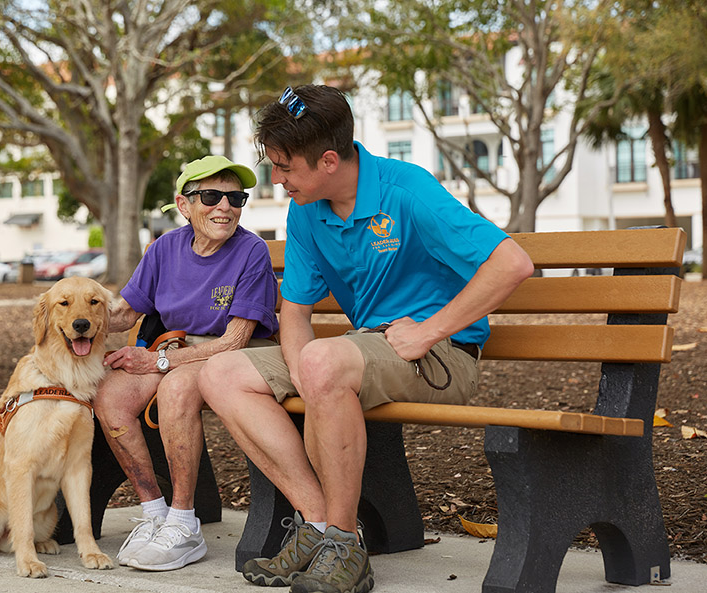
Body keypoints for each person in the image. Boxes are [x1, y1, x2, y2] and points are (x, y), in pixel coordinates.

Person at [198, 85, 534, 593]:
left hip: (441, 356)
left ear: (328, 160)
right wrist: (304, 369)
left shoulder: (407, 190)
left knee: (321, 362)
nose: (278, 179)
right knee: (218, 373)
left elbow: (513, 263)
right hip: (359, 352)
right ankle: (318, 528)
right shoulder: (307, 209)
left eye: (285, 167)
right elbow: (295, 313)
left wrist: (429, 330)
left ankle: (343, 546)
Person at [94, 155, 279, 572]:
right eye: (211, 196)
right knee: (110, 394)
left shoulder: (251, 250)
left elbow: (236, 339)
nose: (225, 207)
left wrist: (159, 361)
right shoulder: (165, 248)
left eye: (236, 198)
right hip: (175, 352)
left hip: (231, 356)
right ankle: (154, 512)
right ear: (185, 204)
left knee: (174, 389)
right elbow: (125, 313)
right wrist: (76, 319)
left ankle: (184, 524)